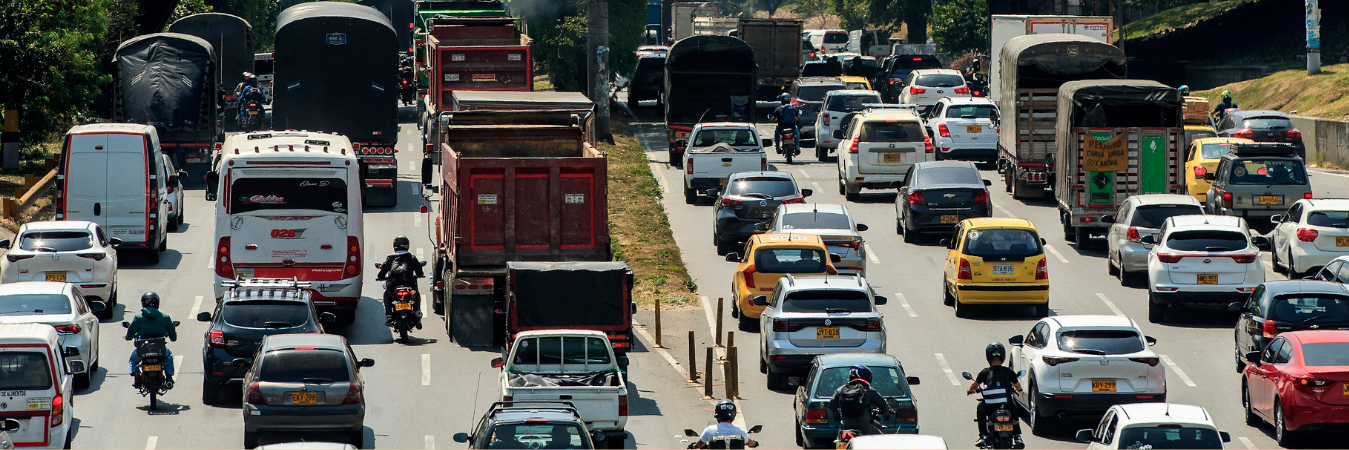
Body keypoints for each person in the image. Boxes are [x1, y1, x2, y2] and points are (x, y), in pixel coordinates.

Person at [968, 342, 1023, 448]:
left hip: (990, 407)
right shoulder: (1008, 371)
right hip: (1006, 405)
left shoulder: (985, 372)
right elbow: (1017, 385)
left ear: (988, 357)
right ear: (1003, 356)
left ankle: (983, 436)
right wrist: (1019, 389)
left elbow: (974, 384)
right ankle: (1017, 436)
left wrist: (970, 391)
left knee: (980, 409)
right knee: (1015, 409)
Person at [126, 292, 178, 388]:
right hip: (160, 349)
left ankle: (136, 374)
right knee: (168, 356)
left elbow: (130, 332)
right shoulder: (165, 318)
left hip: (142, 349)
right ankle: (169, 377)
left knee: (133, 360)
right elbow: (173, 335)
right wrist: (173, 338)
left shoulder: (138, 318)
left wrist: (128, 337)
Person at [829, 365, 895, 436]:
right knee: (881, 440)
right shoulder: (869, 390)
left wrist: (836, 414)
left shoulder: (841, 389)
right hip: (864, 427)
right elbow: (882, 404)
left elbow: (832, 405)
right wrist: (888, 411)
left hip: (845, 427)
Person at [376, 235, 425, 327]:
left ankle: (389, 315)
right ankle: (417, 313)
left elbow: (382, 273)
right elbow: (419, 272)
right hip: (409, 285)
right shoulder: (412, 258)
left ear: (394, 246)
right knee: (416, 295)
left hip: (393, 285)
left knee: (386, 296)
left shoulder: (390, 259)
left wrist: (380, 277)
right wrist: (420, 275)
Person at [692, 400, 758, 449]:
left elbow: (700, 443)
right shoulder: (740, 431)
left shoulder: (709, 430)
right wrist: (755, 443)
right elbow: (749, 442)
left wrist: (693, 446)